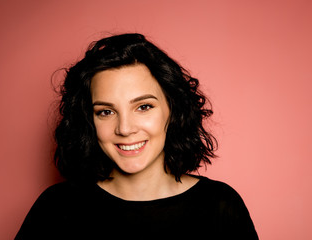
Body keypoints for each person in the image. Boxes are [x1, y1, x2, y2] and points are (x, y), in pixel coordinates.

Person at [15, 33, 258, 239]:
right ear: (89, 120)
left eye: (143, 107)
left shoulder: (220, 206)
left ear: (173, 110)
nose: (125, 128)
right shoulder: (56, 208)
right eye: (106, 111)